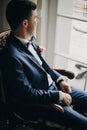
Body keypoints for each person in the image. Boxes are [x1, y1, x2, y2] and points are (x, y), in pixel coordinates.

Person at [1, 0, 87, 129]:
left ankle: (74, 119)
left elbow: (44, 65)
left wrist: (60, 79)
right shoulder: (11, 57)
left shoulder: (29, 38)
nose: (37, 21)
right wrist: (58, 95)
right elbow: (27, 93)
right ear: (25, 23)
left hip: (54, 86)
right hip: (44, 103)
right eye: (35, 18)